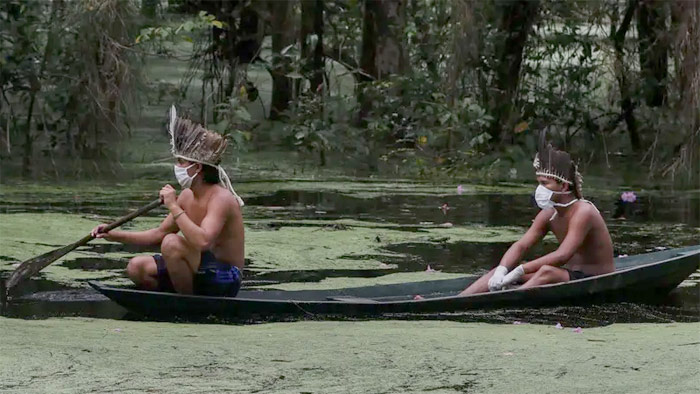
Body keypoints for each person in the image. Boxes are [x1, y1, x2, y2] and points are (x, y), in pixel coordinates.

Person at [91, 106, 245, 296]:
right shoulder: (187, 195)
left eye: (181, 162)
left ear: (197, 167)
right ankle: (178, 297)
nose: (176, 167)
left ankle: (188, 305)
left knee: (171, 243)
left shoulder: (221, 198)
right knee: (137, 267)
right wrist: (112, 234)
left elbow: (203, 240)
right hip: (199, 269)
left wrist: (173, 205)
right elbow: (158, 233)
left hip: (225, 277)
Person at [459, 132, 614, 296]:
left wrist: (520, 270)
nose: (539, 189)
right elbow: (521, 245)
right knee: (501, 270)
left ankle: (507, 301)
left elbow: (563, 255)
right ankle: (459, 300)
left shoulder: (583, 211)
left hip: (595, 277)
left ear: (563, 187)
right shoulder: (549, 214)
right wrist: (503, 270)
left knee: (546, 271)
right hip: (569, 274)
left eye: (544, 183)